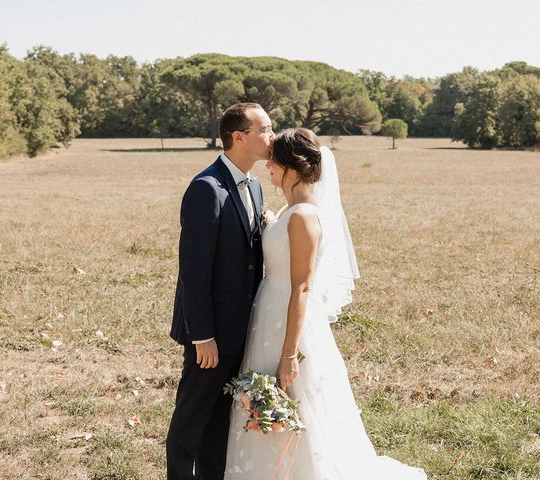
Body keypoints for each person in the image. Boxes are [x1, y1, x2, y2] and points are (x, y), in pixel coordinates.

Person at [224, 128, 427, 479]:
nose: (267, 164)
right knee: (269, 401)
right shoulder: (292, 211)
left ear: (290, 166)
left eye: (273, 159)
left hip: (290, 325)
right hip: (269, 319)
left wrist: (289, 355)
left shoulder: (303, 216)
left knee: (295, 400)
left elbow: (301, 287)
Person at [167, 103, 274, 480]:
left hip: (242, 331)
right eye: (265, 129)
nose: (271, 136)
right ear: (239, 137)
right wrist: (203, 336)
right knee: (189, 425)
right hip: (210, 337)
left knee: (218, 428)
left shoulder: (256, 186)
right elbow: (193, 272)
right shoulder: (205, 188)